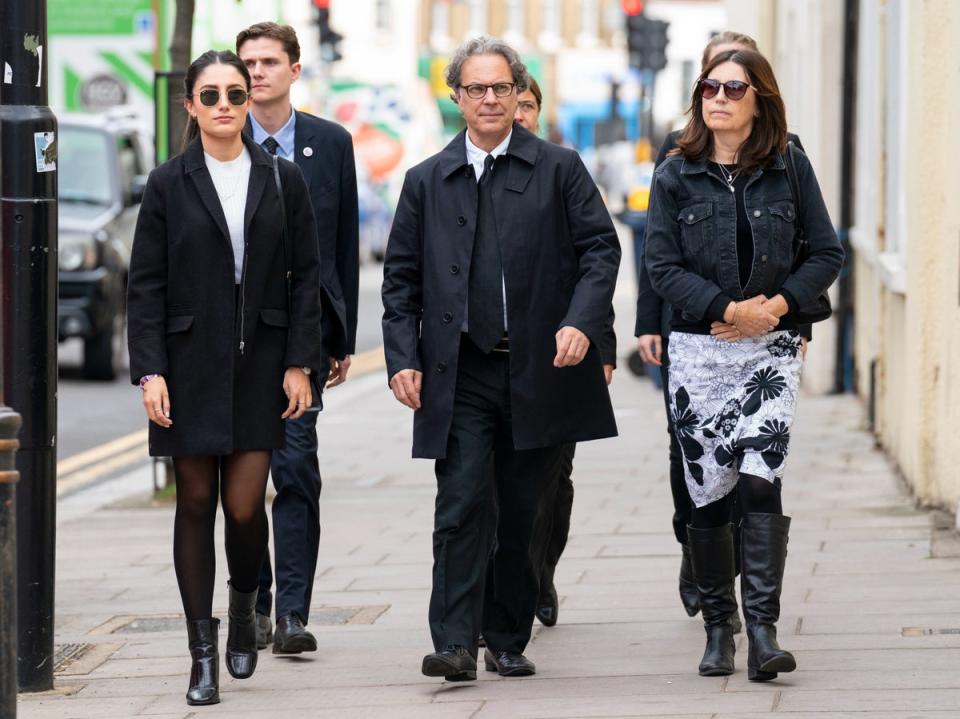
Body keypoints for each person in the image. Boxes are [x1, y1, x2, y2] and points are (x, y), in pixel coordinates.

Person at [382, 36, 620, 681]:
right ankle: (454, 642)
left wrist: (582, 323)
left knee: (523, 509)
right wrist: (401, 357)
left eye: (501, 87)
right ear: (456, 97)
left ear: (520, 94)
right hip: (460, 371)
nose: (489, 99)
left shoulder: (559, 167)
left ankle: (507, 635)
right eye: (476, 89)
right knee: (459, 505)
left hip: (539, 369)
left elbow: (601, 251)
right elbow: (400, 282)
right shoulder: (425, 180)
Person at [127, 50, 323, 705]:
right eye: (208, 95)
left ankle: (244, 603)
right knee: (194, 503)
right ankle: (201, 653)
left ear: (247, 101)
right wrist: (150, 369)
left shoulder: (280, 178)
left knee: (244, 508)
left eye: (233, 94)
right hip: (187, 365)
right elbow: (145, 284)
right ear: (190, 105)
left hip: (261, 362)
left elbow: (307, 279)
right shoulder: (167, 182)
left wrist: (300, 362)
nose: (222, 106)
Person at [644, 48, 843, 680]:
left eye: (735, 87)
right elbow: (661, 267)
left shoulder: (790, 166)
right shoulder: (676, 173)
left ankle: (763, 631)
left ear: (761, 98)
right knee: (708, 494)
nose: (719, 97)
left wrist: (776, 307)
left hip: (771, 351)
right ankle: (717, 626)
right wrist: (727, 307)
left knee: (762, 480)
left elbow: (826, 253)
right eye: (709, 87)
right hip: (701, 352)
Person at [235, 21, 360, 657]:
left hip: (300, 343)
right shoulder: (220, 139)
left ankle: (291, 613)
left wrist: (342, 341)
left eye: (268, 62)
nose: (257, 73)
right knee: (243, 480)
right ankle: (252, 594)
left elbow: (341, 248)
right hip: (232, 346)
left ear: (293, 69)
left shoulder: (330, 143)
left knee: (295, 470)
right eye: (247, 63)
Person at [513, 77, 616, 628]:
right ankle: (506, 589)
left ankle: (539, 571)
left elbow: (594, 260)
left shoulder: (560, 167)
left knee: (550, 482)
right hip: (498, 359)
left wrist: (602, 341)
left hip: (563, 356)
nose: (518, 114)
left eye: (527, 105)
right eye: (514, 103)